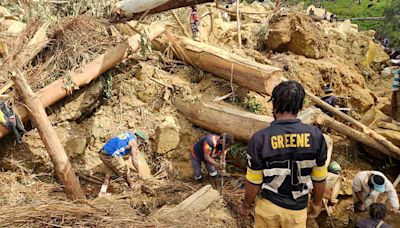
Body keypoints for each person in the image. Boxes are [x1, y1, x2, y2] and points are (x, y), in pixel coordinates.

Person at [242, 81, 328, 228]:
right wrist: (317, 202)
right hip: (297, 211)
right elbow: (319, 178)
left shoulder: (260, 139)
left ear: (274, 104)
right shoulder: (316, 136)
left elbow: (254, 181)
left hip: (268, 207)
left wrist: (246, 205)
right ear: (300, 106)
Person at [98, 131, 148, 197]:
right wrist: (139, 171)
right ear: (140, 139)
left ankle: (102, 192)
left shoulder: (128, 135)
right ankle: (132, 186)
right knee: (125, 170)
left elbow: (120, 145)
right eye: (142, 142)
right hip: (111, 155)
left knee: (110, 172)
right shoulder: (134, 142)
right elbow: (134, 159)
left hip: (103, 153)